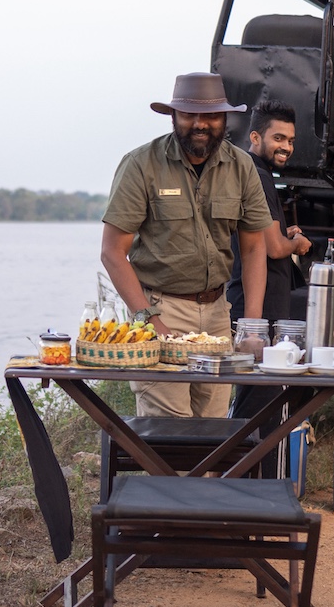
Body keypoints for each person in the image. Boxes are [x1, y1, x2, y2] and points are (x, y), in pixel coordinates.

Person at [101, 72, 272, 418]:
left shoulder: (242, 167)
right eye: (189, 115)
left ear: (224, 119)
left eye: (210, 116)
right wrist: (149, 321)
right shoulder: (141, 164)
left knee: (213, 432)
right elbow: (112, 252)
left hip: (217, 315)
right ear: (173, 116)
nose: (200, 124)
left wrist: (252, 327)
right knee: (169, 432)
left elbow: (254, 249)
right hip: (161, 308)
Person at [225, 99, 313, 323]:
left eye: (291, 140)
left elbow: (260, 235)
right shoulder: (259, 177)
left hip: (248, 306)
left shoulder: (248, 170)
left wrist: (284, 232)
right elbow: (274, 249)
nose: (287, 147)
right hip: (258, 311)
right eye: (278, 138)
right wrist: (297, 244)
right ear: (255, 137)